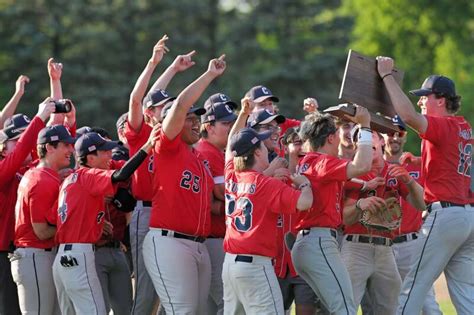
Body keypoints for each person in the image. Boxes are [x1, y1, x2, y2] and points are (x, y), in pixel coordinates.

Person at [377, 57, 473, 315]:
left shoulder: (443, 125)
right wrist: (420, 159)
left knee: (412, 287)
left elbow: (407, 116)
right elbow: (454, 162)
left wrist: (386, 76)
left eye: (424, 96)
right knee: (466, 295)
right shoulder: (463, 126)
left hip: (445, 216)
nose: (420, 101)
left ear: (440, 100)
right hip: (466, 217)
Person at [142, 55, 226, 314]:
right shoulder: (168, 146)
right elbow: (180, 104)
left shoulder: (198, 157)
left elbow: (213, 203)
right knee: (183, 311)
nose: (195, 122)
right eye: (189, 118)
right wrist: (209, 75)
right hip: (170, 242)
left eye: (196, 118)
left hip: (197, 244)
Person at [124, 36, 196, 315]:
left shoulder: (174, 137)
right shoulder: (142, 132)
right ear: (151, 113)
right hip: (146, 212)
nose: (169, 110)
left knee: (173, 289)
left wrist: (175, 70)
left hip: (172, 213)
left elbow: (158, 101)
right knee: (146, 289)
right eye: (162, 107)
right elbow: (137, 98)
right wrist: (155, 63)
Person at [52, 128, 158, 315]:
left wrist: (96, 225)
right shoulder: (88, 175)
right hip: (79, 254)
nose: (110, 155)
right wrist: (148, 145)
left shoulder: (70, 180)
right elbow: (121, 175)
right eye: (105, 151)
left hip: (64, 255)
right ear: (90, 158)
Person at [222, 98, 313, 315]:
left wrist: (243, 115)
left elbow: (230, 147)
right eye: (261, 144)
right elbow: (305, 202)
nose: (266, 145)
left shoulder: (231, 175)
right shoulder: (265, 183)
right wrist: (305, 184)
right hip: (256, 266)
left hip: (230, 265)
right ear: (257, 152)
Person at [291, 108, 373, 315]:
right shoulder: (322, 161)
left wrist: (363, 186)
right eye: (336, 135)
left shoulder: (305, 162)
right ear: (329, 138)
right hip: (318, 241)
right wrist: (365, 126)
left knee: (333, 309)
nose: (339, 140)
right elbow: (362, 165)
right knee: (345, 308)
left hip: (305, 243)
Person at [341, 128, 425, 315]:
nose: (367, 140)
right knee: (345, 308)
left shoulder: (394, 170)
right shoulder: (352, 172)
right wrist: (360, 205)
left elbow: (421, 205)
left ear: (380, 141)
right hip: (356, 246)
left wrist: (409, 181)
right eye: (361, 138)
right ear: (357, 147)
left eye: (371, 135)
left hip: (386, 249)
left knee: (390, 309)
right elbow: (345, 218)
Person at [11, 125, 75, 315]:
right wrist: (77, 227)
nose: (70, 150)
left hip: (39, 256)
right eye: (65, 145)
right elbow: (41, 231)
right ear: (49, 148)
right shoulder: (41, 180)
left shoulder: (46, 176)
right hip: (36, 256)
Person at [0, 99, 55, 315]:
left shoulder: (28, 169)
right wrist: (39, 118)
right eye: (17, 139)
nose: (24, 143)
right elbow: (21, 151)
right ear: (3, 148)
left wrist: (56, 85)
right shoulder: (4, 168)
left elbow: (47, 145)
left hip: (18, 252)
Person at [382, 129, 442, 315]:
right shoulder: (374, 165)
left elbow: (436, 198)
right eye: (389, 133)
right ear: (382, 136)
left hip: (412, 242)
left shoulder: (418, 163)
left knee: (427, 303)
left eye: (399, 133)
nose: (394, 137)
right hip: (382, 246)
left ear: (405, 136)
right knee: (386, 305)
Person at [195, 95, 237, 314]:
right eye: (226, 123)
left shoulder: (216, 151)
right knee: (227, 302)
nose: (230, 128)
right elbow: (221, 193)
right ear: (209, 127)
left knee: (213, 306)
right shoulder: (206, 151)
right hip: (212, 239)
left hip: (216, 238)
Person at [276, 128, 320, 315]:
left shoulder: (313, 177)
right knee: (275, 310)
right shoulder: (277, 176)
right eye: (295, 141)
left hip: (303, 259)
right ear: (284, 146)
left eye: (303, 141)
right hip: (277, 258)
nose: (300, 145)